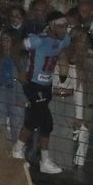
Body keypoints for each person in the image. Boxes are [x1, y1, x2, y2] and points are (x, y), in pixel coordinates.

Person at [14, 11, 70, 174]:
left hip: (46, 85)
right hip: (33, 83)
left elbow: (68, 49)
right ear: (52, 26)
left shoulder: (64, 39)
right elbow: (16, 48)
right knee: (37, 117)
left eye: (66, 26)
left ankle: (44, 160)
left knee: (46, 123)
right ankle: (18, 148)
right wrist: (21, 69)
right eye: (61, 26)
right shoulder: (38, 40)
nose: (64, 30)